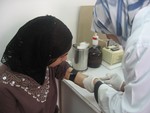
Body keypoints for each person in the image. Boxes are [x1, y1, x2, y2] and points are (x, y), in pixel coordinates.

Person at [0, 15, 88, 113]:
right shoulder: (4, 88)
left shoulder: (43, 61)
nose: (65, 59)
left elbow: (65, 70)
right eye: (62, 56)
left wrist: (94, 84)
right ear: (42, 53)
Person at [82, 0, 150, 113]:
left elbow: (127, 110)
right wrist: (123, 86)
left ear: (114, 19)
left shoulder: (141, 44)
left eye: (106, 29)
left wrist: (97, 86)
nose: (107, 36)